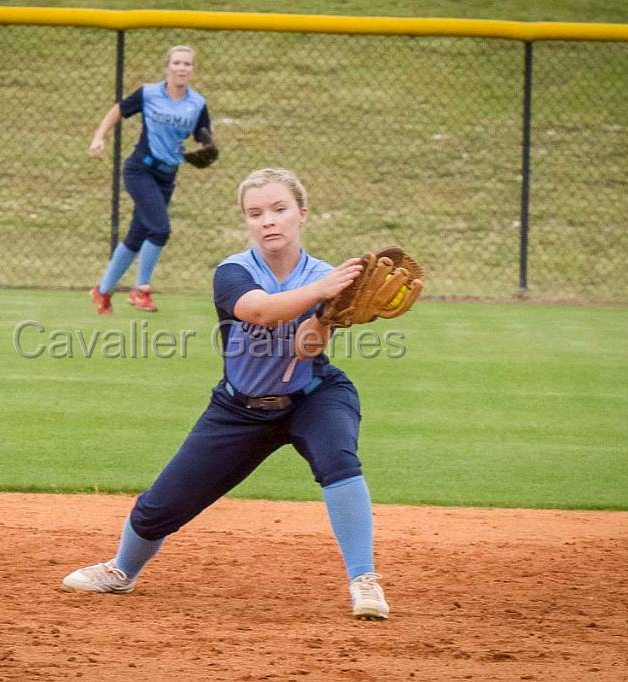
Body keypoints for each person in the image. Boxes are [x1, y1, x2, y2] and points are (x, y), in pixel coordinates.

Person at [62, 168, 391, 621]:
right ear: (246, 222)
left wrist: (331, 314)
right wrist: (323, 292)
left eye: (279, 209)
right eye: (255, 213)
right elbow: (257, 311)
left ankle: (365, 581)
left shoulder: (323, 277)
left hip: (314, 396)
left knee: (339, 462)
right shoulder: (234, 271)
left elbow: (305, 348)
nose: (268, 221)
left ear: (302, 215)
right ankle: (122, 571)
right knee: (161, 506)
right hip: (240, 407)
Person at [88, 45, 213, 315]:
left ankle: (102, 291)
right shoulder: (149, 93)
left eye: (187, 64)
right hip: (140, 169)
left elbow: (203, 137)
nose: (182, 68)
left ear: (193, 69)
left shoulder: (197, 104)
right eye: (177, 63)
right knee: (160, 229)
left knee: (137, 235)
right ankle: (140, 289)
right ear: (167, 67)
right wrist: (99, 137)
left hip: (167, 176)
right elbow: (118, 110)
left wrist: (206, 150)